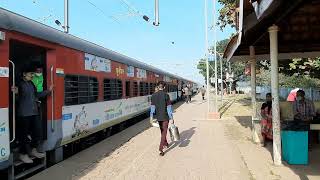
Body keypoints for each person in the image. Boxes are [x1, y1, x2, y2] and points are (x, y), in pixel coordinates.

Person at [12, 66, 53, 163]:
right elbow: (15, 100)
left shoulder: (31, 84)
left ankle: (33, 150)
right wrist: (16, 94)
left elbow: (36, 95)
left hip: (34, 112)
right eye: (31, 74)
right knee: (23, 135)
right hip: (23, 114)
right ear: (24, 74)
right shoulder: (19, 84)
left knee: (37, 132)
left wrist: (48, 91)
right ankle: (23, 154)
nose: (32, 75)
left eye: (33, 74)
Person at [150, 81, 174, 156]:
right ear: (164, 87)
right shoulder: (166, 95)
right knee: (164, 132)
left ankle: (166, 143)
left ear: (158, 87)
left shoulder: (153, 95)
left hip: (158, 117)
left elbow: (152, 108)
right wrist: (172, 118)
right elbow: (169, 108)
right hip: (165, 117)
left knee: (162, 131)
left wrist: (151, 117)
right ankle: (160, 148)